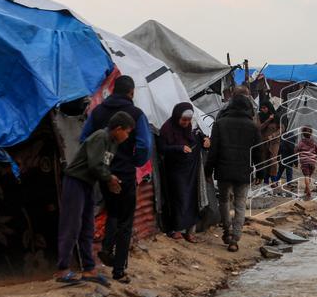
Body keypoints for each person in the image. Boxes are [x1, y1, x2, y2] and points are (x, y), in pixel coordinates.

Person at [80, 75, 151, 283]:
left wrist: (98, 158)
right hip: (125, 172)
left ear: (112, 90)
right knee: (125, 220)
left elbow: (84, 138)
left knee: (112, 211)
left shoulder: (98, 111)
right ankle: (119, 269)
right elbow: (145, 145)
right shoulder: (136, 114)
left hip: (102, 170)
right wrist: (135, 161)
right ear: (131, 92)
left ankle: (106, 248)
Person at [55, 112, 134, 285]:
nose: (127, 136)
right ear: (118, 129)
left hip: (88, 184)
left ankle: (89, 269)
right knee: (72, 225)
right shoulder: (101, 137)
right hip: (75, 182)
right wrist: (110, 178)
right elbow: (96, 165)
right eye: (127, 132)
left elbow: (101, 166)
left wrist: (109, 179)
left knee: (87, 226)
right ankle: (62, 269)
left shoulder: (112, 144)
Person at [206, 94, 261, 252]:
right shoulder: (253, 126)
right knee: (240, 204)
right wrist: (261, 173)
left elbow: (213, 151)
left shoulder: (220, 124)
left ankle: (227, 231)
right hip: (244, 171)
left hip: (224, 169)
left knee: (223, 200)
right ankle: (235, 239)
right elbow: (258, 152)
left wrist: (208, 171)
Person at [159, 102, 210, 242]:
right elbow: (162, 149)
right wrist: (179, 148)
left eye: (188, 120)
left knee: (192, 198)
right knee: (179, 198)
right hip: (175, 170)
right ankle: (176, 229)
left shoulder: (191, 128)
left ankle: (190, 231)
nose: (186, 123)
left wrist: (206, 141)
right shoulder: (167, 129)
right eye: (183, 120)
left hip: (191, 170)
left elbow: (201, 139)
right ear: (177, 117)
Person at [258, 102, 282, 186]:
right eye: (262, 108)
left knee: (273, 160)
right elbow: (259, 128)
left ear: (269, 108)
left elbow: (281, 129)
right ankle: (266, 180)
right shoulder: (260, 116)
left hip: (274, 142)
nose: (263, 110)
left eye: (265, 108)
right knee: (265, 161)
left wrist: (273, 135)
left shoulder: (277, 117)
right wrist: (268, 120)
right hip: (264, 142)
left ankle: (274, 180)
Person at [297, 126, 317, 199]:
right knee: (309, 176)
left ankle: (308, 190)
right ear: (311, 133)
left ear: (303, 134)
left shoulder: (301, 142)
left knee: (306, 176)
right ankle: (306, 189)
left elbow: (297, 149)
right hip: (312, 161)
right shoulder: (314, 142)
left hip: (304, 161)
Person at [278, 129, 297, 194]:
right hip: (289, 160)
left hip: (282, 160)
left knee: (280, 171)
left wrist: (278, 159)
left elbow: (279, 152)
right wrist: (296, 162)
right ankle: (289, 183)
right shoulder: (292, 145)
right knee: (289, 172)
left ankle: (275, 182)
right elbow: (294, 154)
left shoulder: (282, 142)